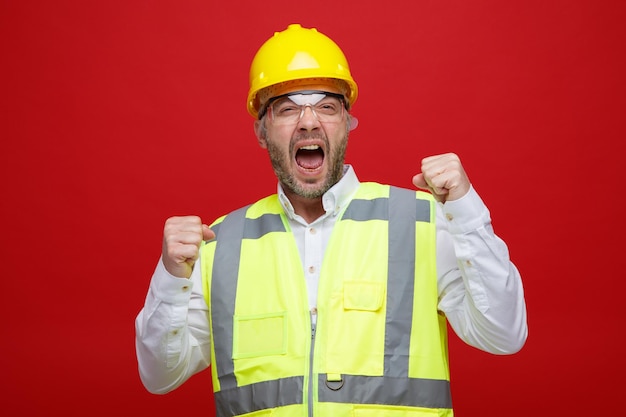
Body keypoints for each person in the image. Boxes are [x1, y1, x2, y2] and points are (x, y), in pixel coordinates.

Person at [135, 23, 527, 417]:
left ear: (346, 123)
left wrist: (466, 209)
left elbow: (504, 334)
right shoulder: (221, 245)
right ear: (261, 130)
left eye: (326, 106)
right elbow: (158, 376)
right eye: (287, 108)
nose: (308, 122)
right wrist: (170, 278)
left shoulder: (421, 223)